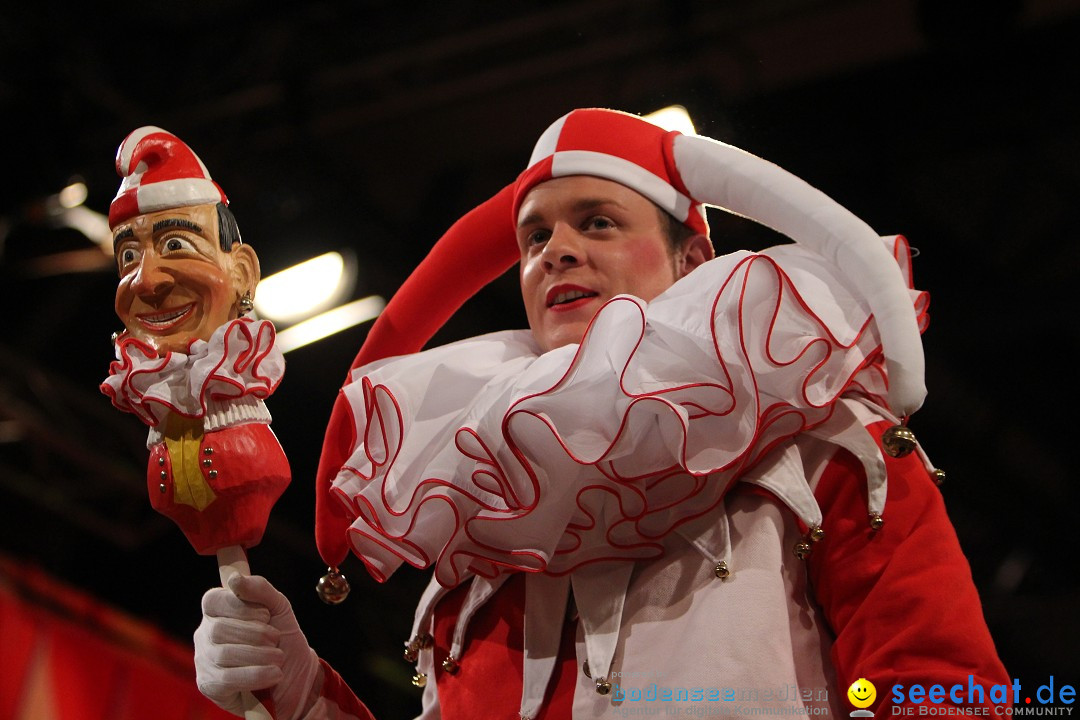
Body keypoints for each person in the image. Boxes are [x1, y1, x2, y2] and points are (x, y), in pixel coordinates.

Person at [193, 109, 1009, 720]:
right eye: (534, 237)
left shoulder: (825, 442)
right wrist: (301, 696)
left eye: (598, 223)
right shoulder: (478, 522)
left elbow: (941, 686)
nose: (556, 252)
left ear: (694, 259)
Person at [102, 126, 290, 563]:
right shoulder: (159, 413)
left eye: (176, 244)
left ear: (242, 272)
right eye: (128, 256)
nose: (146, 281)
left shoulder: (234, 397)